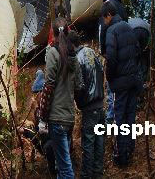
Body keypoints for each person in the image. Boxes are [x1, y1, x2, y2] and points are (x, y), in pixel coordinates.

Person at [38, 17, 82, 179]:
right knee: (61, 164)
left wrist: (43, 117)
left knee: (64, 167)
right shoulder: (73, 56)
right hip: (69, 117)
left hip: (56, 118)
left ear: (53, 33)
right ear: (68, 31)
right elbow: (79, 86)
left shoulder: (53, 53)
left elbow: (48, 86)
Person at [102, 1, 142, 167]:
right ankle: (130, 148)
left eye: (104, 18)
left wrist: (110, 78)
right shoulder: (128, 26)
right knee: (130, 115)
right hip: (133, 79)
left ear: (108, 15)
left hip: (120, 82)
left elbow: (111, 58)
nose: (104, 22)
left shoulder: (111, 31)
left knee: (119, 117)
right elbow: (138, 51)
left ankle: (121, 156)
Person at [70, 31, 105, 179]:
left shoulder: (78, 59)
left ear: (71, 44)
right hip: (100, 103)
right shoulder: (91, 52)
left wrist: (79, 102)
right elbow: (101, 71)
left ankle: (86, 175)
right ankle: (98, 172)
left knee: (89, 143)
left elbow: (79, 86)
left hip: (89, 106)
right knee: (99, 140)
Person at [98, 0, 127, 124]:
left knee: (111, 86)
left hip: (111, 51)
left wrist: (102, 50)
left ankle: (110, 118)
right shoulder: (122, 6)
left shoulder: (106, 8)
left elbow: (102, 30)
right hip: (124, 52)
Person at [18, 69, 56, 175]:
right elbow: (38, 134)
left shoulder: (50, 108)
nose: (34, 98)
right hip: (45, 141)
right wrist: (25, 131)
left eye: (37, 94)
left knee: (49, 146)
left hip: (54, 141)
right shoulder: (37, 111)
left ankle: (54, 171)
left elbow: (45, 132)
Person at [128, 17, 151, 84]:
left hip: (134, 32)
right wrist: (147, 45)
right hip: (145, 32)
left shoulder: (128, 21)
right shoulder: (143, 22)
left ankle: (134, 79)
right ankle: (143, 79)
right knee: (143, 55)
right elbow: (150, 34)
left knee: (134, 56)